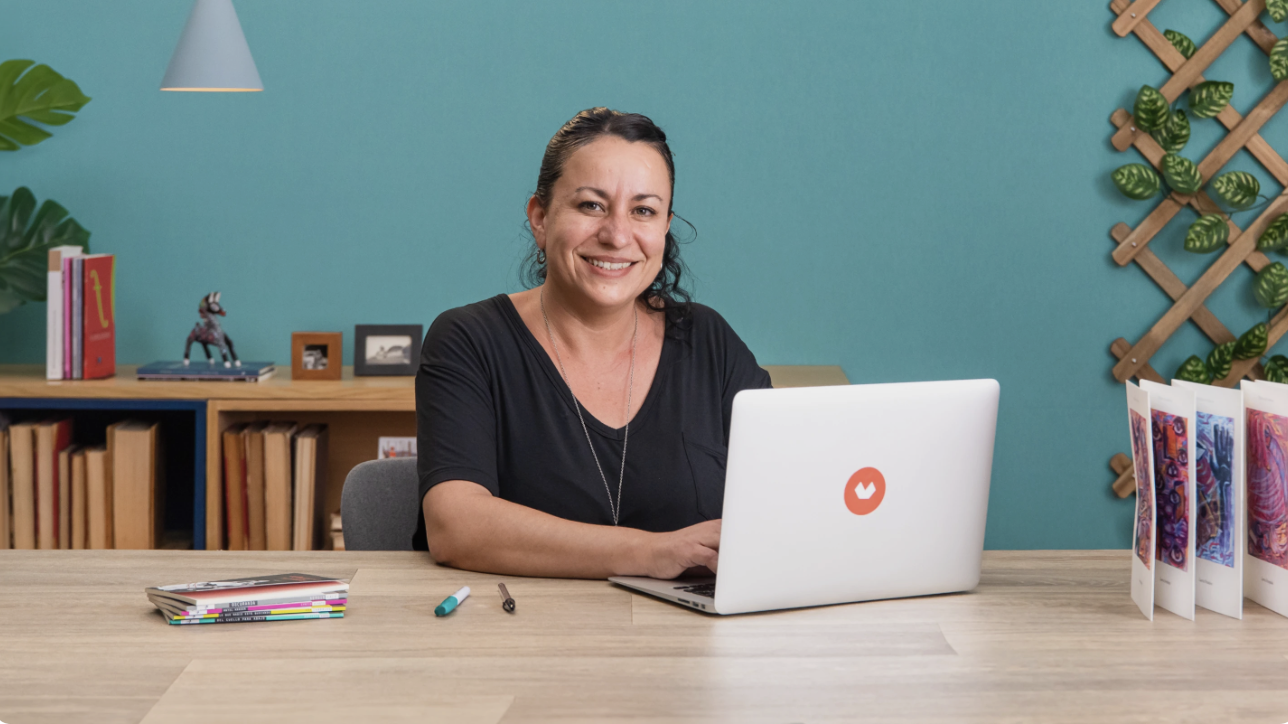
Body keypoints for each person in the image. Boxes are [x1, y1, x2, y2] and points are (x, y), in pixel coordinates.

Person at [416, 107, 771, 579]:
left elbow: (787, 491)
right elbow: (455, 526)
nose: (617, 235)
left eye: (643, 211)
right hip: (523, 622)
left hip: (688, 623)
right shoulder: (468, 341)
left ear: (664, 227)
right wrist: (653, 552)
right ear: (540, 218)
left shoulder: (710, 342)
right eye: (591, 206)